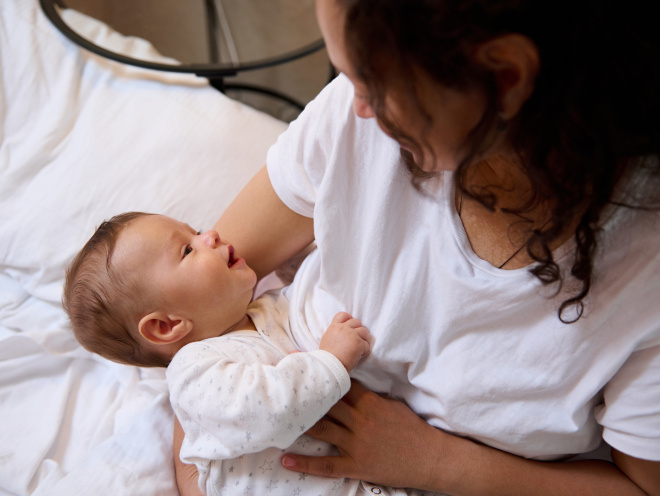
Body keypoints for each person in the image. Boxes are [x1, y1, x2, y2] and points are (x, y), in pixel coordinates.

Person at [175, 0, 660, 494]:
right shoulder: (351, 121)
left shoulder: (647, 273)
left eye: (371, 83)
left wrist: (433, 462)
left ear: (507, 77)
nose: (355, 103)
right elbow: (187, 317)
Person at [63, 212, 399, 496]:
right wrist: (332, 360)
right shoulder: (193, 373)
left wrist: (297, 264)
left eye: (195, 231)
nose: (210, 235)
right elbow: (267, 408)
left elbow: (307, 305)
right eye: (186, 250)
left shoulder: (265, 309)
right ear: (167, 326)